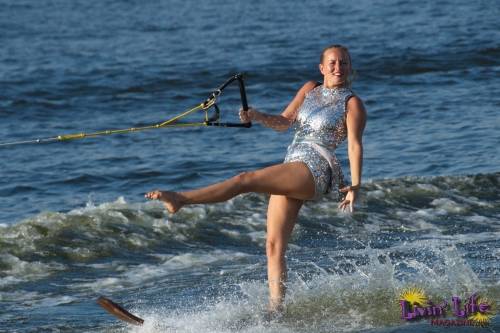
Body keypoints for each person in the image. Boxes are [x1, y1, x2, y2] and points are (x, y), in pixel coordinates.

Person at [145, 44, 367, 314]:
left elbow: (354, 145)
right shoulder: (310, 89)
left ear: (350, 67)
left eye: (343, 63)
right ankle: (277, 311)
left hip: (317, 167)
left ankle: (181, 199)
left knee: (245, 179)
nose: (338, 67)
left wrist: (354, 186)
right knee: (273, 245)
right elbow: (285, 121)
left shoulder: (352, 103)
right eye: (332, 62)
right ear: (322, 68)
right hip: (293, 164)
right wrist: (259, 116)